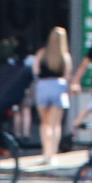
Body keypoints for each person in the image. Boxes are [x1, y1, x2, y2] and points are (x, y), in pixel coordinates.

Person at [33, 26, 73, 162]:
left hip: (43, 87)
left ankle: (45, 152)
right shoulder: (65, 56)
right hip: (58, 87)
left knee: (45, 123)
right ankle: (53, 154)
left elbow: (35, 71)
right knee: (56, 124)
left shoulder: (42, 53)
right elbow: (68, 76)